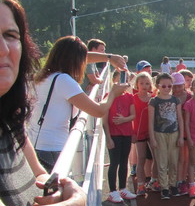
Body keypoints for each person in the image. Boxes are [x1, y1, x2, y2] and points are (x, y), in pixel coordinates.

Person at [0, 0, 86, 206]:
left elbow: (40, 176)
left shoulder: (9, 121)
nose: (3, 49)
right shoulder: (65, 80)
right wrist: (75, 204)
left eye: (10, 35)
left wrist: (54, 193)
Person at [29, 35, 129, 172]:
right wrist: (112, 93)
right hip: (52, 151)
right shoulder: (64, 80)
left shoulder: (44, 76)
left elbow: (82, 57)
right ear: (75, 61)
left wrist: (109, 58)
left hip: (38, 146)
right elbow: (98, 111)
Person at [103, 71, 137, 202]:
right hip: (114, 134)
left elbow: (133, 115)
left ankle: (123, 188)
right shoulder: (108, 96)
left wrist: (124, 119)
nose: (123, 82)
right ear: (114, 80)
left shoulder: (129, 96)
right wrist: (108, 138)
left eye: (126, 79)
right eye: (120, 79)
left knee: (124, 162)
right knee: (114, 162)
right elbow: (104, 120)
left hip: (126, 134)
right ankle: (112, 191)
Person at [148, 73, 184, 200]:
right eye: (163, 86)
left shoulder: (175, 100)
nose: (167, 88)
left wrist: (181, 136)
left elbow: (180, 118)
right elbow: (151, 121)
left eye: (169, 86)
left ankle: (173, 184)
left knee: (173, 161)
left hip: (174, 133)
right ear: (158, 86)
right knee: (162, 161)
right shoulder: (154, 101)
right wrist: (152, 138)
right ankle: (164, 187)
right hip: (159, 134)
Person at [132, 72, 156, 194]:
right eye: (141, 83)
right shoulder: (133, 98)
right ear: (137, 84)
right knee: (141, 158)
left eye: (147, 83)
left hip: (152, 132)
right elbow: (130, 117)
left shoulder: (153, 98)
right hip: (139, 132)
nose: (144, 86)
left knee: (156, 157)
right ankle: (140, 185)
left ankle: (154, 181)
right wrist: (132, 133)